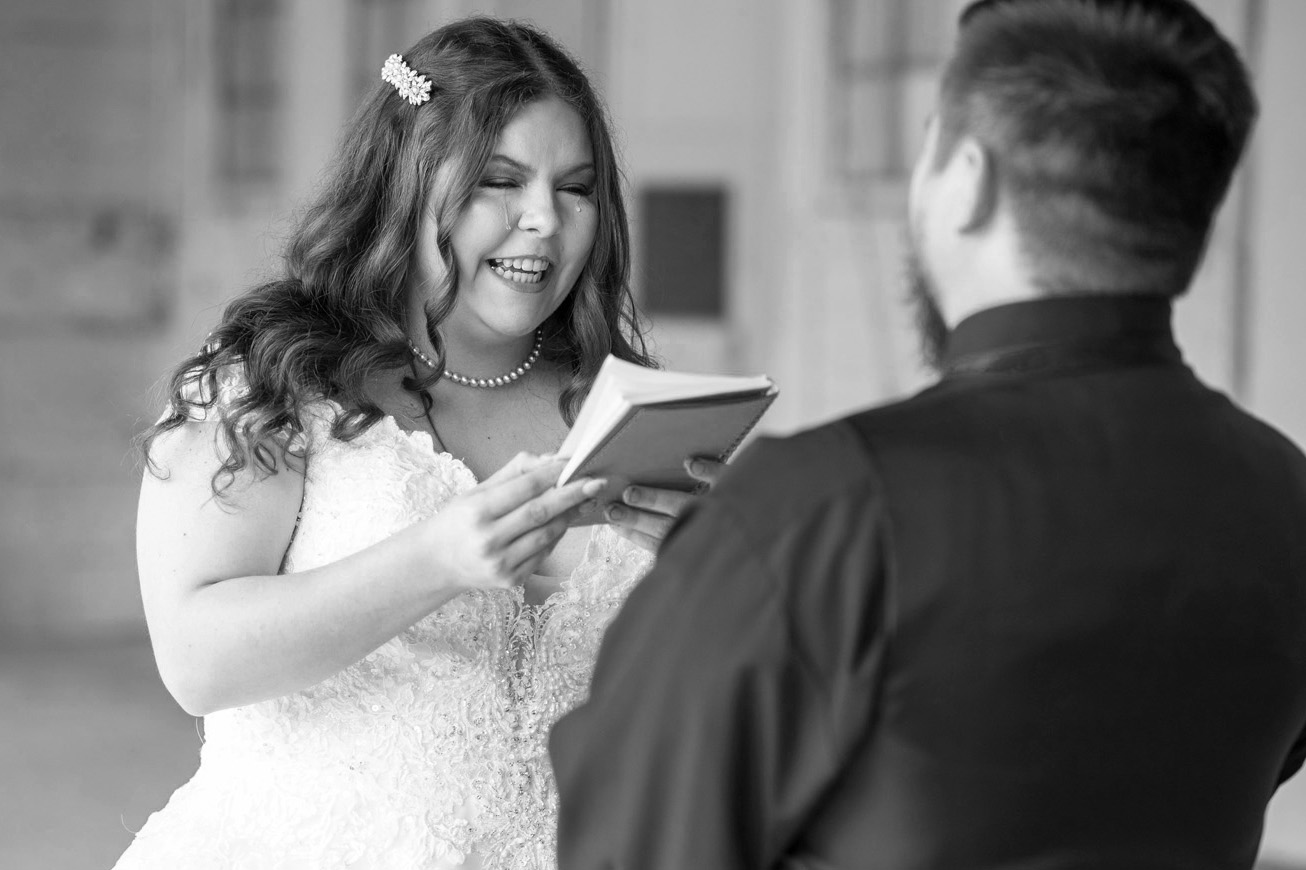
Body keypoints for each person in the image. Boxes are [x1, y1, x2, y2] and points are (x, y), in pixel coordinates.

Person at [550, 1, 1306, 867]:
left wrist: (754, 569)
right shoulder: (1287, 497)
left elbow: (631, 844)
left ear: (969, 178)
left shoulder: (820, 511)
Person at [114, 17, 718, 870]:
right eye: (498, 181)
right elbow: (195, 662)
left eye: (576, 188)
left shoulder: (619, 401)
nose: (544, 220)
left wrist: (717, 567)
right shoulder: (274, 379)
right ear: (404, 181)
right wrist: (434, 561)